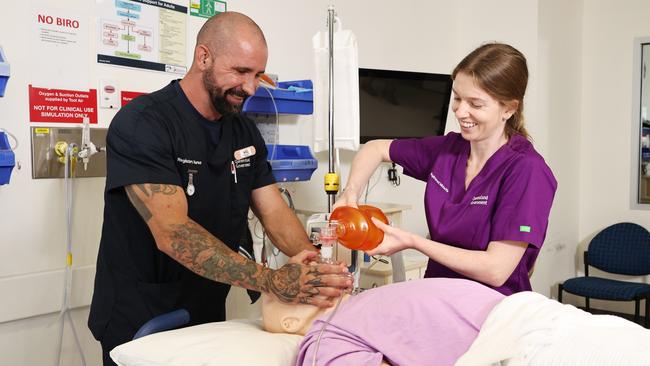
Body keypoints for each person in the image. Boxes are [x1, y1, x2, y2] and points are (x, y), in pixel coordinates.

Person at [88, 12, 351, 366]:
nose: (251, 87)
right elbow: (173, 233)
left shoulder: (243, 132)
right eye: (241, 72)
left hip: (206, 309)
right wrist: (273, 280)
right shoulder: (143, 124)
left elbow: (273, 212)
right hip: (141, 311)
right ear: (203, 58)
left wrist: (316, 269)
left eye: (258, 74)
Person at [335, 43, 557, 295]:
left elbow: (496, 271)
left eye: (475, 103)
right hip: (438, 293)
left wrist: (412, 241)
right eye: (458, 98)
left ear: (509, 108)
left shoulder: (527, 170)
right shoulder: (449, 149)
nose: (461, 112)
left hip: (491, 305)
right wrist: (350, 194)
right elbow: (374, 149)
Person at [262, 278, 505, 366]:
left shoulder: (369, 303)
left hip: (522, 320)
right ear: (290, 322)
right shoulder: (329, 337)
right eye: (285, 280)